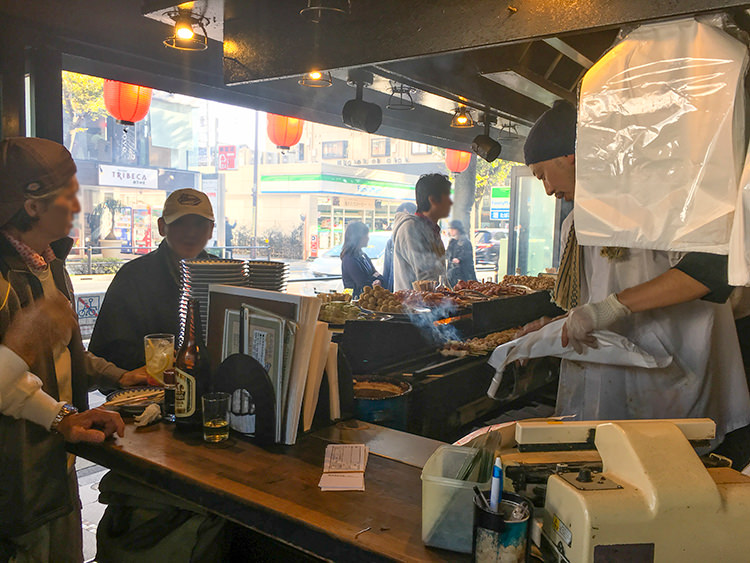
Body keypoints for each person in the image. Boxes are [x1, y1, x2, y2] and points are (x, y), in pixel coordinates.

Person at [518, 101, 750, 453]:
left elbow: (712, 272)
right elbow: (596, 299)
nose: (548, 189)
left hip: (677, 376)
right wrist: (556, 326)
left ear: (571, 156)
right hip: (612, 386)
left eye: (542, 174)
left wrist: (609, 309)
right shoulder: (574, 226)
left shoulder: (659, 203)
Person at [0, 137, 138, 563]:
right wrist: (21, 343)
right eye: (70, 195)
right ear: (33, 205)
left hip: (57, 467)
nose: (79, 207)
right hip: (14, 488)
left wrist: (65, 416)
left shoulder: (51, 264)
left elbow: (34, 372)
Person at [89, 188, 214, 371]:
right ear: (162, 227)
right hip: (150, 391)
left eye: (199, 224)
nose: (190, 233)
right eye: (180, 223)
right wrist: (161, 360)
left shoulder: (226, 275)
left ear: (211, 230)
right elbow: (108, 352)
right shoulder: (132, 277)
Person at [392, 174, 452, 291]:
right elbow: (427, 280)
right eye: (448, 198)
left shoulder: (431, 229)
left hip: (433, 305)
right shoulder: (411, 228)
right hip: (414, 307)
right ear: (433, 200)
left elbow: (439, 278)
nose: (451, 203)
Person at [340, 222, 385, 298]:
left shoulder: (362, 255)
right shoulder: (349, 258)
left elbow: (376, 274)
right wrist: (375, 278)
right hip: (357, 300)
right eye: (366, 235)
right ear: (358, 238)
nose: (368, 238)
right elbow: (362, 283)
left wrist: (376, 278)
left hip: (367, 298)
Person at [382, 202, 416, 291]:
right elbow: (388, 268)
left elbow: (387, 269)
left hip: (403, 290)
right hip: (407, 291)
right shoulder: (393, 240)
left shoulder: (392, 239)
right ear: (406, 212)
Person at [445, 220, 476, 287]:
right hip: (452, 274)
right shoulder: (452, 242)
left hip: (464, 274)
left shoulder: (465, 242)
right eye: (450, 229)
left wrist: (459, 259)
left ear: (459, 230)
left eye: (453, 229)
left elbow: (466, 256)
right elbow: (447, 254)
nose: (451, 231)